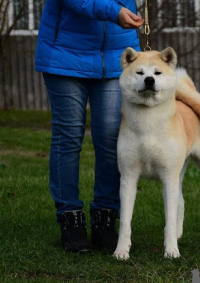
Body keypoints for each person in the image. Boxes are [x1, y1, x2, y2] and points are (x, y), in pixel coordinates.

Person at [35, 0, 144, 253]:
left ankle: (105, 219)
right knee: (69, 136)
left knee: (110, 137)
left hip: (117, 55)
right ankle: (70, 219)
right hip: (65, 52)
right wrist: (113, 11)